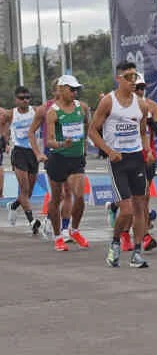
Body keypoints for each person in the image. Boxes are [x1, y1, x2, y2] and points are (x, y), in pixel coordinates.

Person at [89, 61, 153, 268]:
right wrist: (109, 151)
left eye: (136, 77)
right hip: (118, 160)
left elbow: (143, 132)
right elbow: (92, 131)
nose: (133, 81)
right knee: (125, 211)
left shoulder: (141, 104)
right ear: (119, 79)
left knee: (140, 207)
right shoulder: (108, 102)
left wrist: (147, 150)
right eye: (129, 77)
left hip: (136, 159)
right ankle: (115, 243)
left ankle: (137, 252)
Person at [104, 73, 157, 252]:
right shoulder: (117, 104)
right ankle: (126, 233)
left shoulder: (148, 106)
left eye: (142, 87)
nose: (139, 91)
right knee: (130, 204)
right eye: (137, 87)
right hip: (123, 157)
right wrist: (108, 151)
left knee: (143, 200)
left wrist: (148, 120)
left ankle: (139, 236)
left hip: (145, 156)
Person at [44, 75, 90, 251]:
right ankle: (57, 237)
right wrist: (64, 144)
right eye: (71, 89)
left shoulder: (82, 107)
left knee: (79, 196)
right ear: (61, 89)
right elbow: (49, 141)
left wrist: (83, 148)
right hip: (58, 159)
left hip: (76, 159)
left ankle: (74, 230)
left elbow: (87, 127)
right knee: (56, 199)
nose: (75, 92)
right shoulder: (53, 112)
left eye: (76, 89)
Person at [29, 79, 74, 242]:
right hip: (52, 155)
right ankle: (50, 219)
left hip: (72, 155)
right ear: (54, 92)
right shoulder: (44, 109)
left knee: (69, 192)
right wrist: (38, 153)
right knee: (58, 195)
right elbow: (31, 132)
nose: (62, 92)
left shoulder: (74, 107)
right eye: (59, 89)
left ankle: (65, 229)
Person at [6, 86, 42, 234]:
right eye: (22, 98)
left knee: (29, 193)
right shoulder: (11, 114)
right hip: (19, 152)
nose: (25, 100)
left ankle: (14, 205)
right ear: (16, 99)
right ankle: (32, 221)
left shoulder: (36, 111)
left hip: (33, 152)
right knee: (24, 189)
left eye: (27, 97)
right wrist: (6, 141)